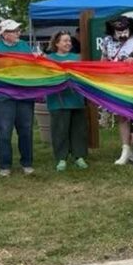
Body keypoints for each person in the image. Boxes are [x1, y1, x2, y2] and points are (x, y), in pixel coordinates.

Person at [0, 19, 37, 177]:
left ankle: (27, 163)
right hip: (1, 97)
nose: (18, 33)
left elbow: (33, 67)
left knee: (26, 130)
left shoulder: (24, 46)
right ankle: (5, 165)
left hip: (24, 94)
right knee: (4, 131)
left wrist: (36, 57)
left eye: (17, 30)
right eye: (14, 31)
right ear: (4, 34)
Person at [101, 15, 133, 169]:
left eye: (124, 29)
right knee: (122, 117)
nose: (121, 32)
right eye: (118, 29)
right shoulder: (107, 41)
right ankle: (125, 150)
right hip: (116, 85)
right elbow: (102, 62)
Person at [46, 31, 89, 172]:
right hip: (57, 101)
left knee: (79, 129)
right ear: (57, 43)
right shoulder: (49, 58)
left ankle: (79, 156)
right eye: (64, 41)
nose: (68, 43)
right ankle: (61, 158)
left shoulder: (78, 58)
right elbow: (46, 77)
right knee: (60, 130)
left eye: (69, 41)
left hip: (76, 99)